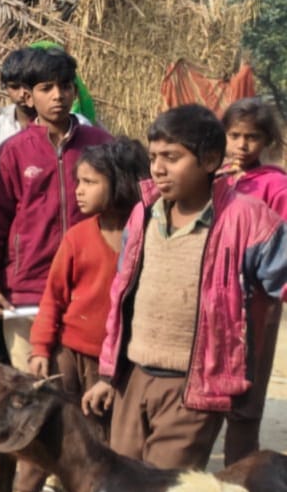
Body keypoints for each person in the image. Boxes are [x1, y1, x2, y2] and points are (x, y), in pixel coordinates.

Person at [83, 105, 287, 472]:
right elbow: (122, 298)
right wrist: (108, 375)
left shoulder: (246, 219)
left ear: (209, 160)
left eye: (172, 157)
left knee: (164, 489)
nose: (158, 168)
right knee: (121, 483)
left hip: (193, 389)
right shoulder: (143, 214)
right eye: (153, 157)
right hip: (134, 377)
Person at [0, 46, 110, 492]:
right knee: (35, 395)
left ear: (75, 90)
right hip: (26, 292)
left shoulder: (100, 146)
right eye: (46, 88)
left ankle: (62, 483)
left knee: (79, 396)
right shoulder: (13, 152)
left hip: (86, 294)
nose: (57, 96)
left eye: (64, 86)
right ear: (27, 96)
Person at [30, 137, 148, 426]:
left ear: (120, 183)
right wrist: (40, 349)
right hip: (70, 355)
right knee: (65, 432)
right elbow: (53, 299)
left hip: (120, 361)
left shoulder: (147, 239)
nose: (79, 191)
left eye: (90, 182)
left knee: (109, 436)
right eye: (78, 182)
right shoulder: (77, 238)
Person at [216, 98, 287, 465]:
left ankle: (241, 476)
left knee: (247, 396)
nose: (242, 145)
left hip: (257, 303)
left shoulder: (276, 185)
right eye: (234, 136)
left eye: (252, 137)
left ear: (267, 141)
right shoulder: (212, 176)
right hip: (213, 298)